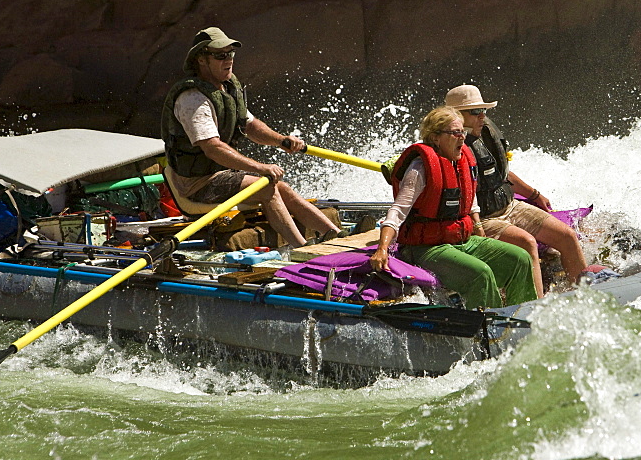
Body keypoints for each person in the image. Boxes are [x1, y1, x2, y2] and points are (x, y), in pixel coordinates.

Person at [160, 27, 340, 247]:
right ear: (201, 60)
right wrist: (260, 167)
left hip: (220, 175)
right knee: (266, 186)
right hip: (197, 185)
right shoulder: (192, 100)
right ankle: (301, 249)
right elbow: (212, 148)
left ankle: (337, 237)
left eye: (230, 54)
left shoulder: (227, 88)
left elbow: (250, 125)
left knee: (281, 187)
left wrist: (281, 140)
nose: (228, 60)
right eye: (220, 55)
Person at [369, 106, 536, 309]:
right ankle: (489, 329)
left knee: (520, 259)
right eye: (455, 133)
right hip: (426, 249)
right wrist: (382, 248)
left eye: (462, 132)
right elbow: (397, 212)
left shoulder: (462, 161)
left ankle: (522, 318)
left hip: (462, 241)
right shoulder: (419, 169)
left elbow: (470, 199)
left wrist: (478, 227)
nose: (462, 138)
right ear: (435, 138)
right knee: (481, 273)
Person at [445, 84, 588, 295]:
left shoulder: (485, 132)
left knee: (567, 236)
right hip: (485, 218)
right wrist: (476, 226)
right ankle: (535, 309)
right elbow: (461, 192)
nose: (482, 115)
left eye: (484, 110)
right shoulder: (450, 145)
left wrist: (534, 194)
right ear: (456, 115)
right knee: (527, 244)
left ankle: (586, 296)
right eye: (475, 111)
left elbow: (500, 173)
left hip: (510, 207)